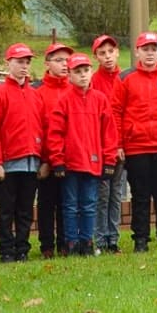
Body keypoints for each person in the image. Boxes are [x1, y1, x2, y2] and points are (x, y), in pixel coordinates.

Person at [47, 53, 118, 256]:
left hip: (93, 163)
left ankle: (87, 241)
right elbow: (55, 133)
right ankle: (71, 243)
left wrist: (109, 160)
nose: (83, 75)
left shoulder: (100, 100)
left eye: (86, 71)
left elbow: (109, 133)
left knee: (89, 204)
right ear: (69, 75)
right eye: (78, 72)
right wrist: (58, 160)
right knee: (70, 206)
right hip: (70, 163)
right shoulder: (64, 101)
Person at [112, 32, 157, 253]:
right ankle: (140, 239)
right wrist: (119, 144)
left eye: (154, 49)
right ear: (137, 51)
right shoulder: (126, 78)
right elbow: (116, 111)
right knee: (140, 195)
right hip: (136, 147)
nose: (150, 53)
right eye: (145, 49)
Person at [0, 43, 45, 262]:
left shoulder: (35, 95)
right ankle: (6, 249)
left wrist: (43, 159)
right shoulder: (0, 95)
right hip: (9, 162)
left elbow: (42, 127)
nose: (24, 66)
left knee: (25, 209)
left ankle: (22, 248)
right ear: (8, 63)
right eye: (19, 62)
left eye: (27, 62)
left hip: (31, 161)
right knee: (6, 210)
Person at [34, 42, 73, 258]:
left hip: (72, 159)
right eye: (59, 60)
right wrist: (45, 160)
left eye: (67, 60)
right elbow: (39, 127)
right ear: (47, 63)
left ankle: (65, 244)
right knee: (47, 204)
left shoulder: (74, 89)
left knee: (67, 204)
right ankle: (47, 246)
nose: (64, 65)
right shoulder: (38, 92)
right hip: (48, 160)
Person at [90, 34, 126, 254]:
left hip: (121, 146)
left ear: (117, 52)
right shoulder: (93, 81)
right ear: (96, 56)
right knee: (102, 195)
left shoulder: (124, 78)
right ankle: (101, 238)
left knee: (116, 194)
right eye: (102, 53)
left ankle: (113, 238)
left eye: (110, 52)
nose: (107, 57)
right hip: (101, 146)